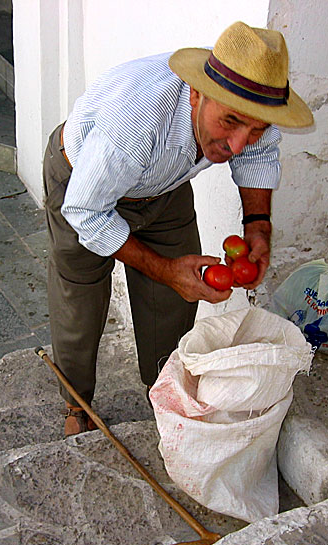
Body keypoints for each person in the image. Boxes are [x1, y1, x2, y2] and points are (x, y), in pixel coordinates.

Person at [43, 21, 313, 436]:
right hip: (84, 186)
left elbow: (257, 156)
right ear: (195, 93)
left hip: (162, 187)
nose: (239, 144)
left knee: (174, 301)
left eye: (254, 128)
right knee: (80, 298)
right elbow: (86, 212)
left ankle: (163, 390)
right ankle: (76, 403)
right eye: (229, 123)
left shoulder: (248, 87)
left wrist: (258, 227)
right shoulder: (133, 125)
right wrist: (163, 268)